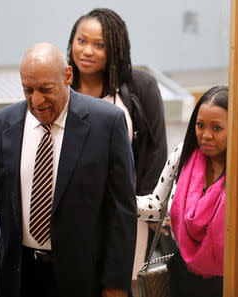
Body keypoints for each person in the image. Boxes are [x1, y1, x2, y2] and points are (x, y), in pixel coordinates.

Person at [0, 43, 136, 297]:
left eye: (45, 89)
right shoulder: (0, 125)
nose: (36, 100)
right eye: (28, 90)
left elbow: (122, 210)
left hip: (81, 276)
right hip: (19, 275)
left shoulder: (107, 123)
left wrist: (116, 282)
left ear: (68, 76)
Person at [67, 7, 169, 288]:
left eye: (99, 45)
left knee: (122, 285)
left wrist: (147, 212)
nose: (87, 51)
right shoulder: (61, 87)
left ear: (116, 48)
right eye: (81, 40)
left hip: (127, 212)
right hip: (72, 212)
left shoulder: (141, 86)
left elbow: (156, 150)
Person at [137, 86, 228, 297]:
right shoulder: (183, 155)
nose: (206, 135)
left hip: (229, 276)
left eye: (217, 128)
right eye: (200, 125)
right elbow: (158, 206)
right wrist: (121, 202)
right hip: (183, 274)